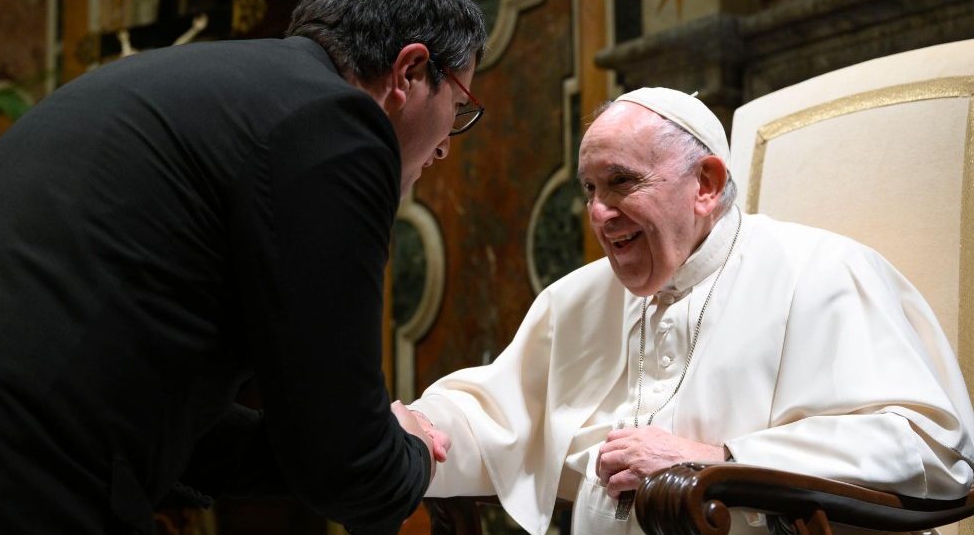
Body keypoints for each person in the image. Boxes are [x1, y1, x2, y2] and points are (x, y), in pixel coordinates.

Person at [0, 0, 485, 533]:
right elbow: (348, 463)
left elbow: (192, 429)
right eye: (459, 107)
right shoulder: (336, 123)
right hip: (33, 476)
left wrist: (380, 444)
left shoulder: (196, 86)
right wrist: (409, 450)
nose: (442, 147)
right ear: (409, 73)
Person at [409, 87, 974, 535]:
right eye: (589, 189)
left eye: (621, 182)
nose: (600, 214)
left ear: (706, 183)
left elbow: (929, 445)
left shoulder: (824, 271)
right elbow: (496, 418)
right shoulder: (576, 299)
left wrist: (719, 459)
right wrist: (416, 429)